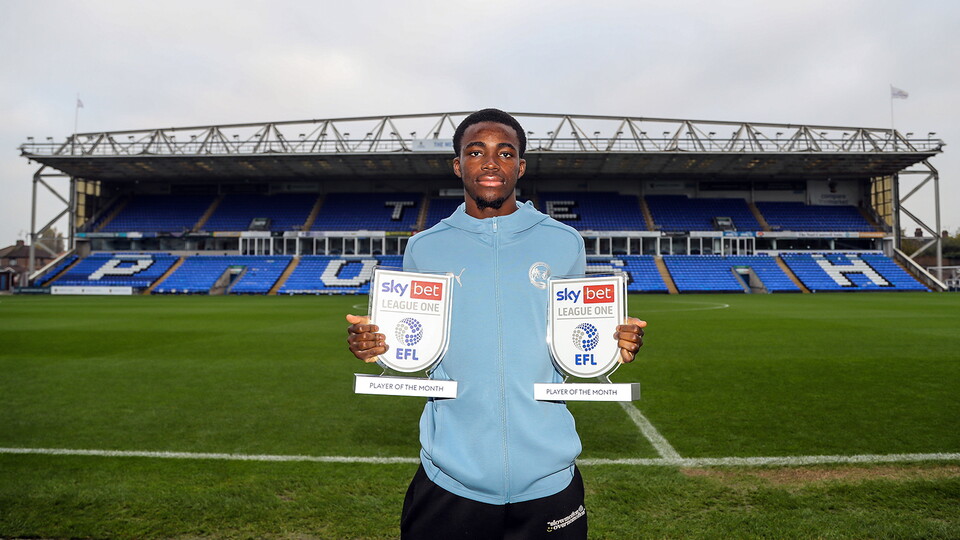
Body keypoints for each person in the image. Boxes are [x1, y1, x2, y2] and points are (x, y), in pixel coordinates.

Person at [346, 108, 645, 539]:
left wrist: (614, 344)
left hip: (549, 479)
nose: (490, 163)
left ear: (520, 167)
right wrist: (375, 346)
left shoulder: (564, 242)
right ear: (457, 165)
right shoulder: (424, 248)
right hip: (450, 478)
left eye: (505, 153)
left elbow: (576, 338)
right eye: (476, 152)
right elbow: (414, 348)